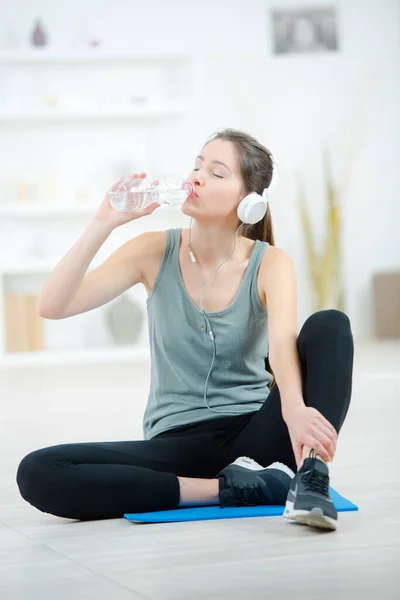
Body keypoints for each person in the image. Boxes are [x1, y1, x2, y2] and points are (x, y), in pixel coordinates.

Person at [16, 128, 354, 531]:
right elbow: (52, 305)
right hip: (174, 442)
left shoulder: (270, 263)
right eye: (196, 166)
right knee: (38, 470)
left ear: (248, 204)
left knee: (330, 324)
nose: (195, 177)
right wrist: (104, 222)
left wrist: (294, 410)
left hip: (255, 436)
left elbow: (283, 345)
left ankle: (310, 477)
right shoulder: (153, 250)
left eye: (216, 172)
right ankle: (226, 489)